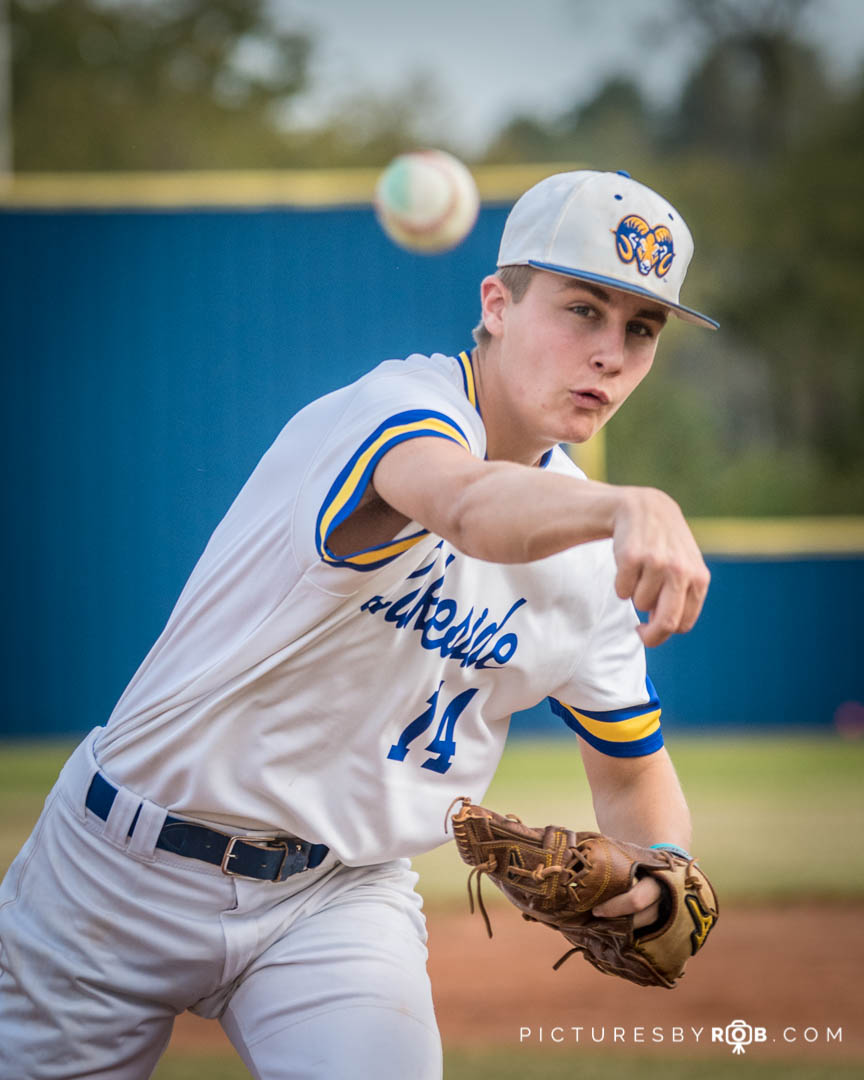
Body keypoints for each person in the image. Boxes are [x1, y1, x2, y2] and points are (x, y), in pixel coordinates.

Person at [0, 169, 717, 1079]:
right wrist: (629, 505)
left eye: (641, 329)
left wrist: (660, 862)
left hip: (337, 897)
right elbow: (463, 505)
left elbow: (633, 775)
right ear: (497, 303)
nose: (612, 353)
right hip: (115, 871)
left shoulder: (590, 555)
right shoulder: (396, 410)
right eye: (583, 310)